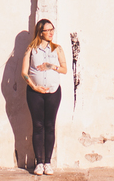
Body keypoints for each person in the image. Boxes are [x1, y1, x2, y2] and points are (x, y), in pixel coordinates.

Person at [21, 18, 68, 175]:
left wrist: (51, 66)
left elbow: (64, 69)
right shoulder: (31, 49)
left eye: (52, 30)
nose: (51, 33)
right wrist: (34, 86)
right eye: (47, 30)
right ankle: (39, 163)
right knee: (38, 126)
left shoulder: (57, 49)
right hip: (35, 93)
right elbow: (24, 72)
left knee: (50, 125)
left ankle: (48, 162)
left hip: (53, 91)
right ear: (39, 32)